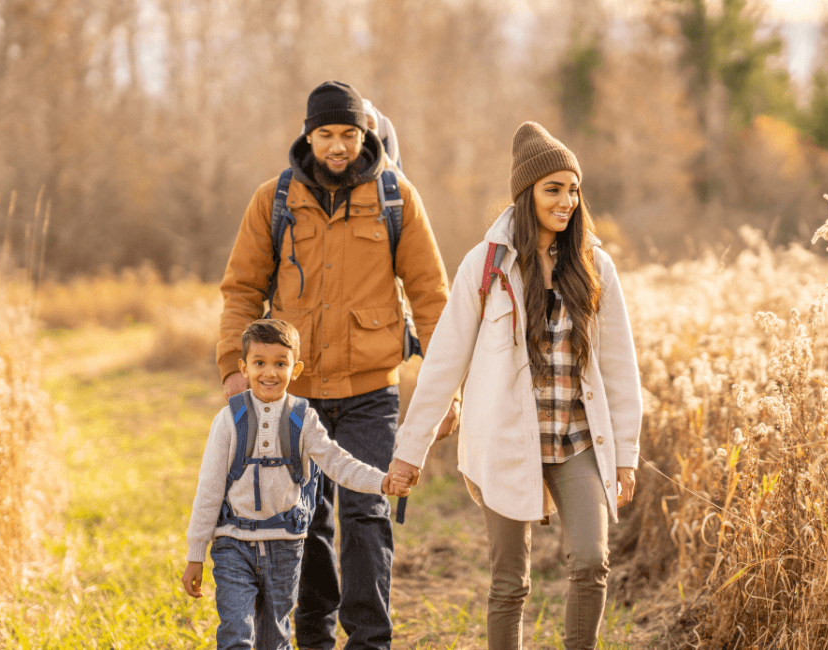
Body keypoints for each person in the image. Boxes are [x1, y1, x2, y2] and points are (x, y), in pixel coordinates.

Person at [216, 80, 458, 650]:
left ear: (365, 134)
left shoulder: (398, 198)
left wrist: (444, 389)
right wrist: (233, 368)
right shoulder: (272, 200)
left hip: (372, 392)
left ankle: (370, 640)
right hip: (295, 392)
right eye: (326, 133)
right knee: (305, 521)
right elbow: (242, 289)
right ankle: (314, 638)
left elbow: (431, 296)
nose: (338, 146)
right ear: (308, 135)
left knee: (367, 513)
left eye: (348, 133)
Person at [385, 122, 643, 650]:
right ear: (527, 194)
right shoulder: (485, 265)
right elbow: (443, 364)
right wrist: (409, 452)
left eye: (574, 189)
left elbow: (620, 367)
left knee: (592, 562)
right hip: (504, 441)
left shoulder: (595, 266)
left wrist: (626, 454)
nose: (567, 201)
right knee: (510, 583)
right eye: (554, 189)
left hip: (575, 442)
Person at [182, 319, 411, 650]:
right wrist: (196, 553)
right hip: (233, 545)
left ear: (297, 368)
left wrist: (382, 481)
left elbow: (338, 463)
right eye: (259, 363)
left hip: (285, 547)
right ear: (244, 367)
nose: (269, 372)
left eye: (280, 363)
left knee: (275, 638)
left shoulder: (303, 419)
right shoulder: (229, 420)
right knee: (236, 635)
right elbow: (208, 490)